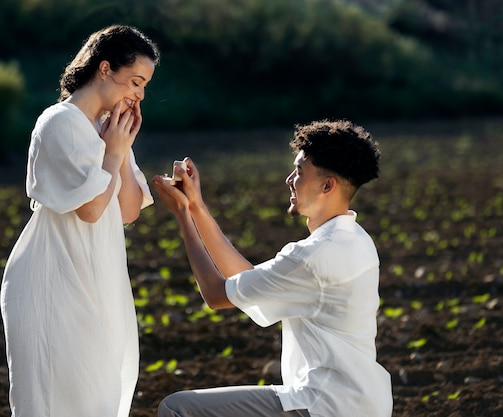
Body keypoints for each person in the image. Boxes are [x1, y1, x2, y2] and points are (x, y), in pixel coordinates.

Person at [152, 120, 393, 417]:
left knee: (178, 409)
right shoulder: (356, 240)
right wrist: (196, 207)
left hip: (324, 405)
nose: (290, 179)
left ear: (327, 185)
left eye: (300, 172)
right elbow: (246, 279)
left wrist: (183, 217)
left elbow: (216, 295)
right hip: (363, 402)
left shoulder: (312, 257)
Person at [0, 25, 159, 417]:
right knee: (59, 397)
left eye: (144, 87)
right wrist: (112, 153)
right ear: (105, 69)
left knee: (98, 394)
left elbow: (128, 211)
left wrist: (119, 150)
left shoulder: (108, 131)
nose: (139, 95)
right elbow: (89, 210)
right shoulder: (59, 122)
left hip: (95, 277)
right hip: (53, 280)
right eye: (135, 82)